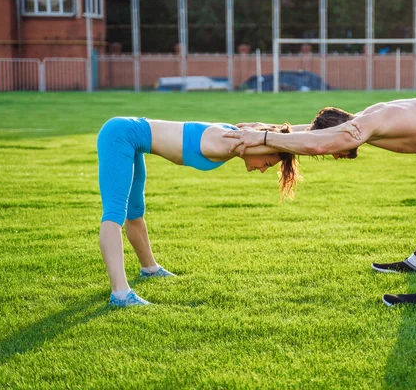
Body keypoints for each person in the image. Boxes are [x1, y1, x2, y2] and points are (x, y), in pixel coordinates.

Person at [225, 95, 416, 307]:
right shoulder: (360, 120)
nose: (336, 154)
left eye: (337, 148)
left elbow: (317, 143)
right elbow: (315, 134)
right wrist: (268, 128)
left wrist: (261, 136)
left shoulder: (367, 123)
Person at [97, 117, 301, 307]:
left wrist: (326, 130)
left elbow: (282, 135)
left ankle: (150, 269)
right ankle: (120, 294)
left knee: (135, 210)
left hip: (131, 137)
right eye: (266, 163)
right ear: (257, 147)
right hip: (120, 136)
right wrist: (321, 143)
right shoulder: (227, 143)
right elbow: (280, 141)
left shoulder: (242, 133)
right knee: (115, 213)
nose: (263, 169)